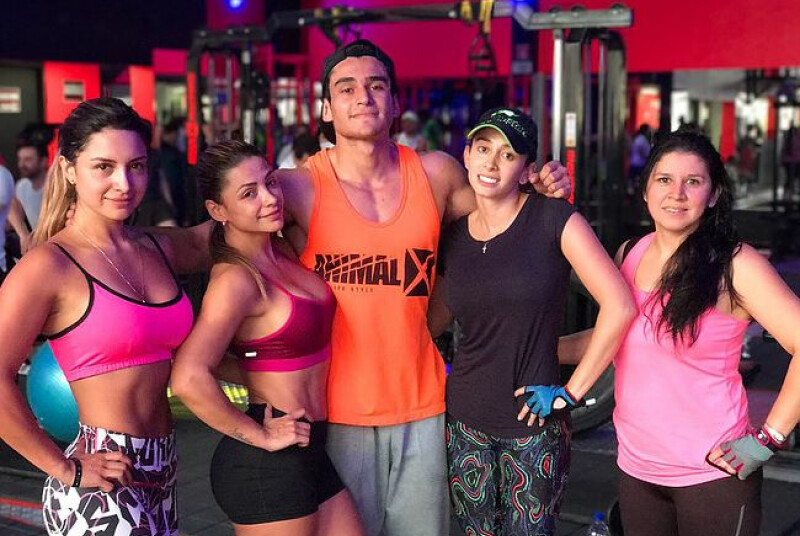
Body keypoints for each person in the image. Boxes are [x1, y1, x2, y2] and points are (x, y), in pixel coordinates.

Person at [275, 39, 572, 536]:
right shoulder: (298, 187)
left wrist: (541, 187)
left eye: (376, 86)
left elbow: (503, 221)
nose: (363, 97)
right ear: (326, 108)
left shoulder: (435, 174)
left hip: (425, 406)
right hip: (338, 410)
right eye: (346, 88)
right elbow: (222, 239)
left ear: (395, 103)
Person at [559, 127, 800, 536]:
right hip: (637, 470)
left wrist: (768, 437)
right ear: (646, 190)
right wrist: (537, 349)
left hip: (713, 475)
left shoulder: (736, 266)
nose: (677, 194)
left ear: (714, 194)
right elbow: (611, 341)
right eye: (664, 180)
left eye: (693, 181)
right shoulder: (629, 254)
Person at [0, 98, 208, 536]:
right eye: (103, 167)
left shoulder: (155, 247)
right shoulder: (49, 266)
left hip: (162, 470)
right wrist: (65, 468)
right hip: (102, 481)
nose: (124, 183)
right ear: (69, 169)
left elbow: (221, 235)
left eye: (136, 166)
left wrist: (298, 181)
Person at [427, 107, 635, 535]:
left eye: (507, 155)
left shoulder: (553, 218)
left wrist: (571, 394)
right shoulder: (454, 238)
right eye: (483, 149)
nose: (491, 163)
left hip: (534, 425)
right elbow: (433, 320)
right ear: (466, 155)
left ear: (526, 170)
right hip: (464, 419)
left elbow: (621, 307)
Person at [171, 140, 364, 536]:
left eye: (271, 182)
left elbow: (261, 358)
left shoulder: (284, 249)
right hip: (267, 464)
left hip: (311, 448)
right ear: (218, 210)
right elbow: (188, 377)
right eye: (249, 193)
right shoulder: (235, 280)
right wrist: (258, 434)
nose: (270, 198)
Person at [15, 141, 49, 229]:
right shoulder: (21, 186)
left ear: (43, 161)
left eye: (28, 159)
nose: (21, 164)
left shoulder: (56, 187)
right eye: (20, 159)